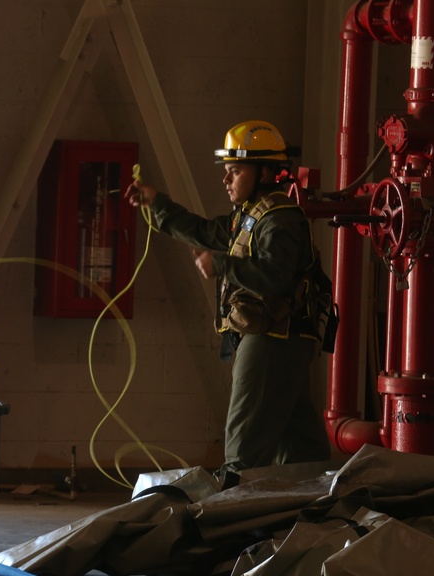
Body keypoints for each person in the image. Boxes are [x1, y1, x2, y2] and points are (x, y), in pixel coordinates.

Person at [125, 119, 332, 481]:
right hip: (282, 341)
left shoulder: (278, 218)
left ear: (266, 172)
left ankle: (230, 522)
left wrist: (221, 264)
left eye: (235, 171)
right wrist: (156, 203)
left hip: (271, 340)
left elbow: (274, 276)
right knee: (302, 450)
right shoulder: (251, 216)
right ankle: (314, 517)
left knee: (244, 448)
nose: (226, 179)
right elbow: (204, 231)